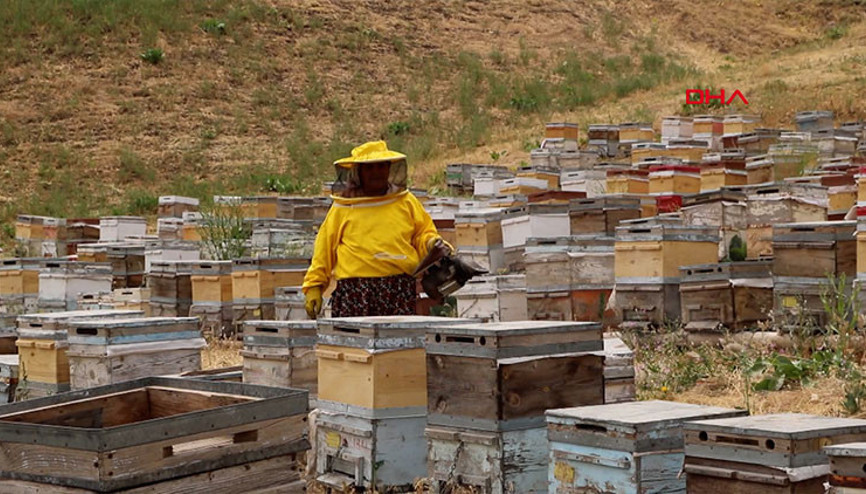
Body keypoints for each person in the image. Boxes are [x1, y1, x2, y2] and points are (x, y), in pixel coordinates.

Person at [302, 140, 451, 318]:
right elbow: (324, 249)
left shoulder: (406, 201)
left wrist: (431, 242)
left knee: (399, 345)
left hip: (398, 290)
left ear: (389, 169)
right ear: (359, 172)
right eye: (369, 168)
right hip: (355, 293)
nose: (376, 172)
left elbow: (422, 233)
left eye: (381, 166)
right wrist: (314, 286)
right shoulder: (343, 207)